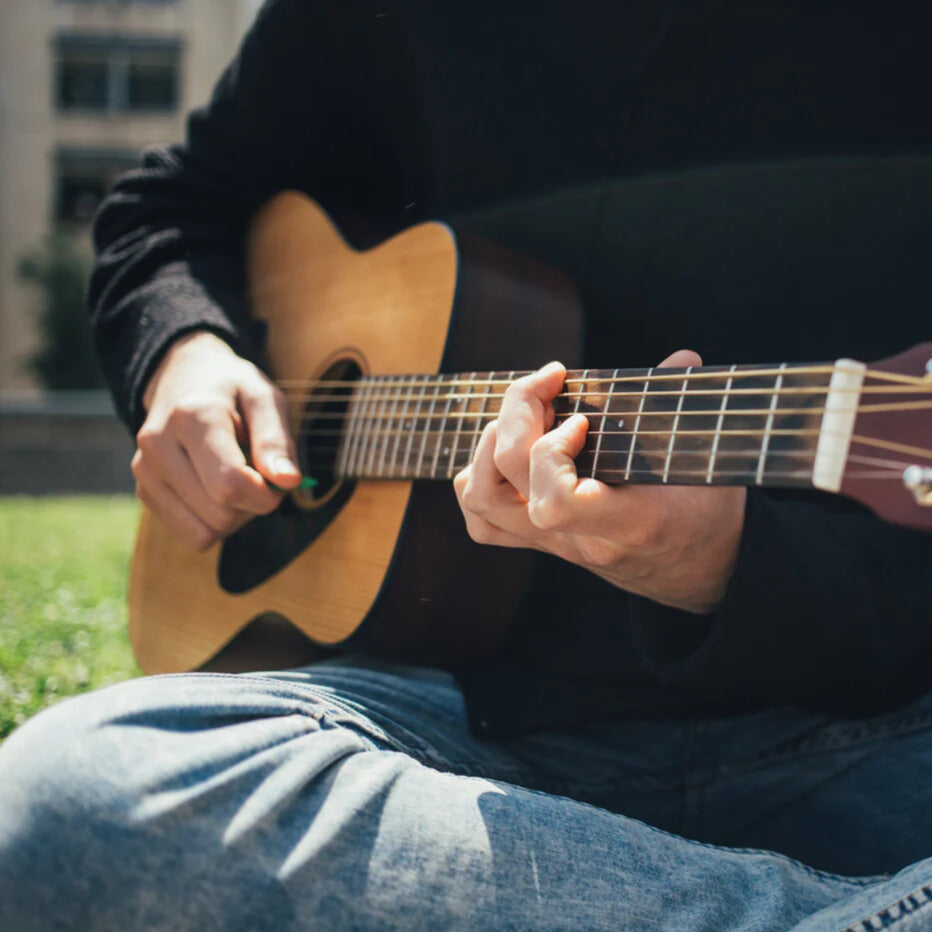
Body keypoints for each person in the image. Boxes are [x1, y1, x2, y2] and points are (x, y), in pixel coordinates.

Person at [3, 1, 932, 928]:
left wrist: (736, 564)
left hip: (867, 735)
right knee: (72, 794)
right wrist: (186, 353)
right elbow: (173, 207)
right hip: (452, 726)